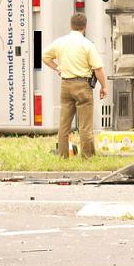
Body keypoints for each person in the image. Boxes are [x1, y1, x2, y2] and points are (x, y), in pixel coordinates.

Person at [42, 13, 108, 158]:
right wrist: (103, 87)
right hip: (82, 86)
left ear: (70, 25)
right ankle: (87, 157)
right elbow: (98, 69)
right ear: (85, 27)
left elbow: (44, 56)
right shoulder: (87, 45)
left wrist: (57, 68)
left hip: (65, 85)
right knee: (85, 126)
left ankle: (63, 156)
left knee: (64, 125)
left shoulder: (60, 42)